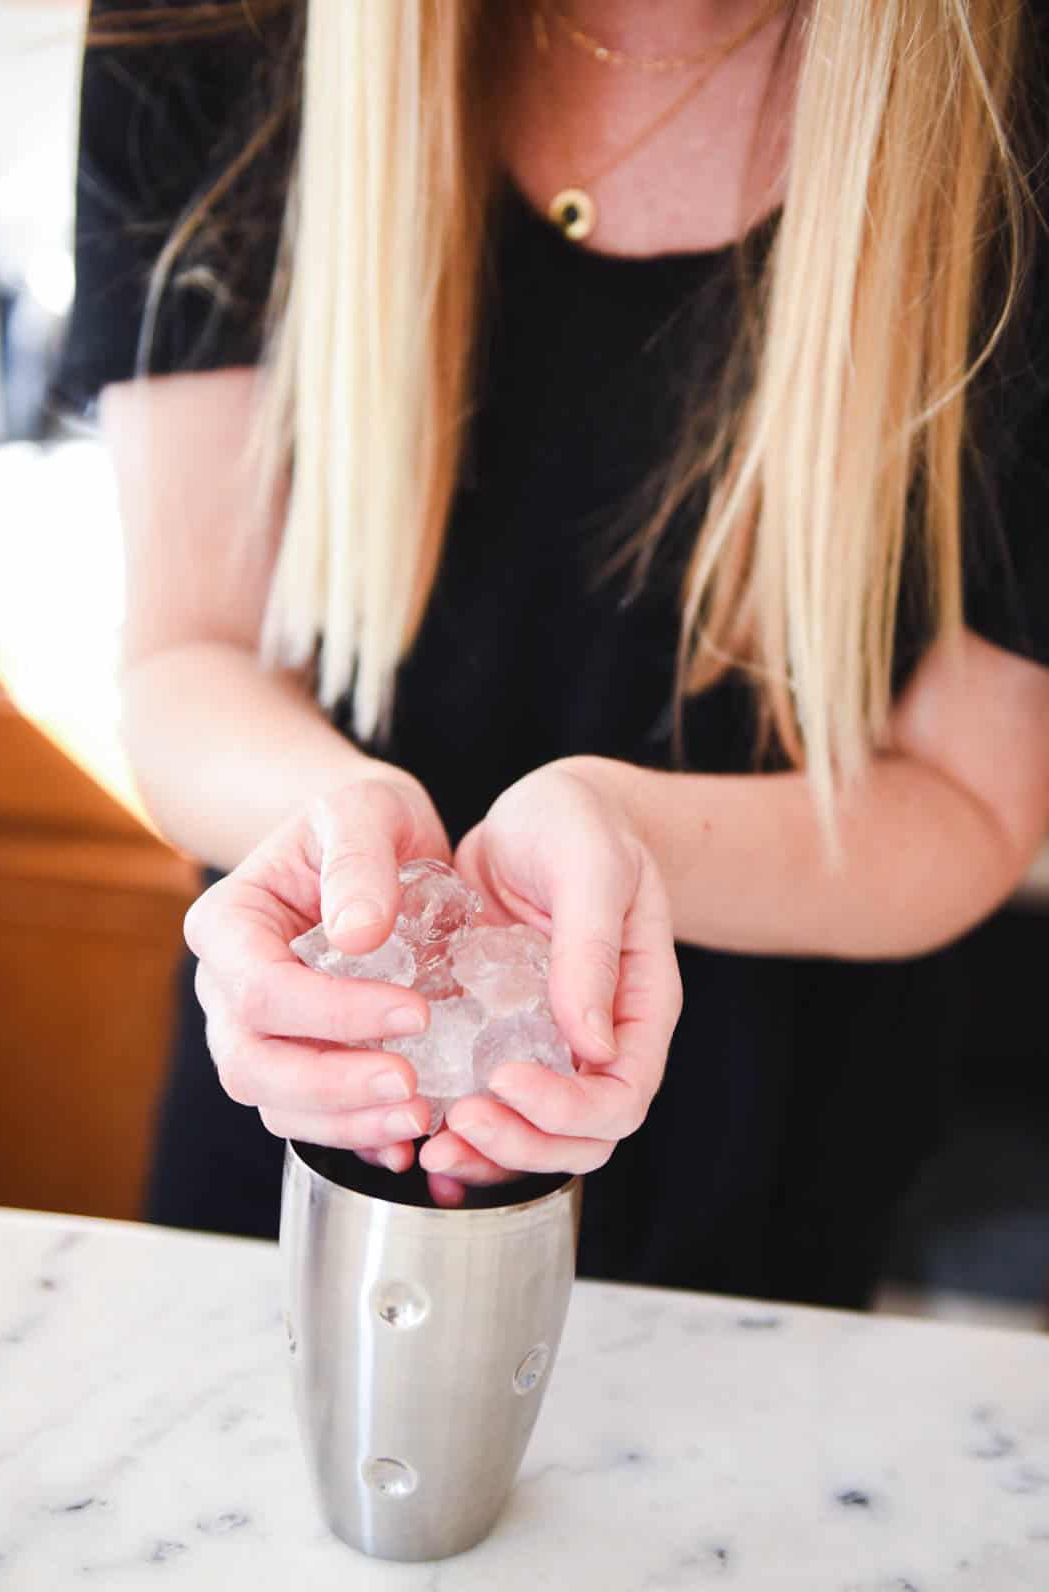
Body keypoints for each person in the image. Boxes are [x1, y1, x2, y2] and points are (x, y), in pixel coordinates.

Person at [57, 0, 1049, 1308]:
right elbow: (185, 653)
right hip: (301, 1146)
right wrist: (343, 844)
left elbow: (975, 799)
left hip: (757, 1208)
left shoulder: (1009, 92)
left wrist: (627, 837)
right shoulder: (209, 23)